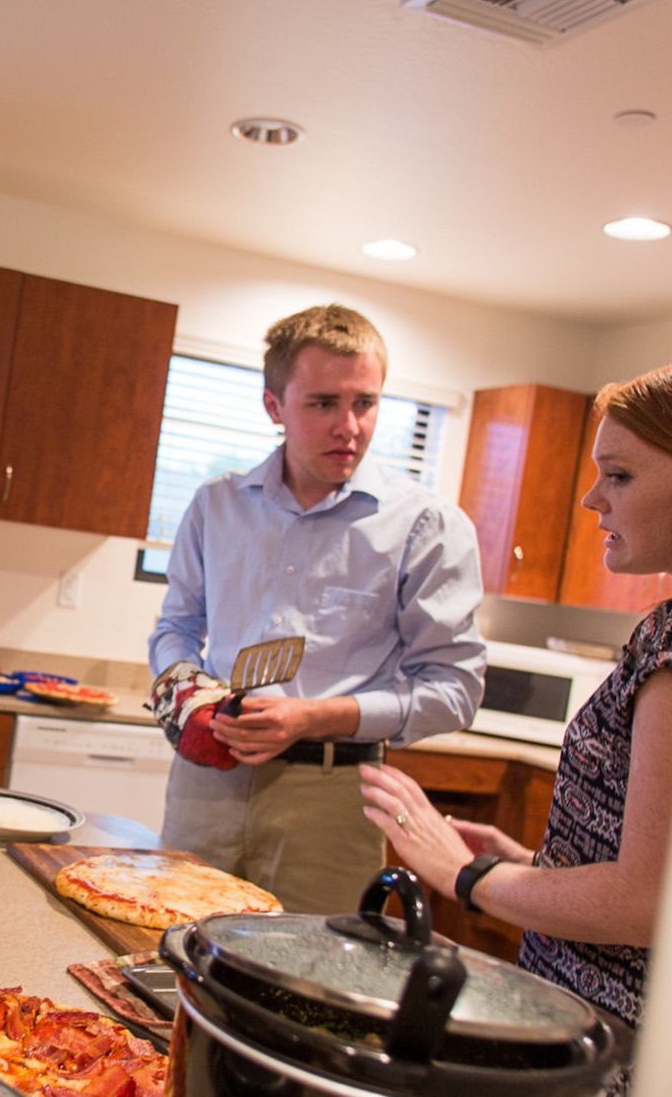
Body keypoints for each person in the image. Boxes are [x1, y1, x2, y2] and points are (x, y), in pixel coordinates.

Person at [358, 353, 672, 1059]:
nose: (593, 499)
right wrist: (534, 865)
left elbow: (645, 902)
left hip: (609, 1034)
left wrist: (467, 877)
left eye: (621, 475)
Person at [147, 304, 486, 914]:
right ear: (274, 406)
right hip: (206, 781)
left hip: (333, 796)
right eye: (324, 403)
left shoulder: (427, 525)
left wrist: (314, 717)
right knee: (167, 946)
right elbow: (176, 628)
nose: (349, 426)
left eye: (365, 403)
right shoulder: (216, 505)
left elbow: (455, 691)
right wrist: (190, 694)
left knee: (311, 968)